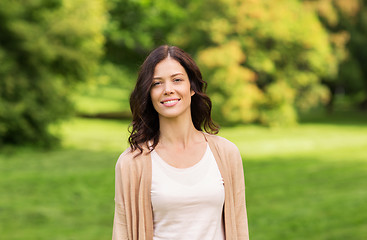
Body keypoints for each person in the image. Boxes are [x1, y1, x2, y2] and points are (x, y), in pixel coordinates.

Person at [112, 45, 249, 240]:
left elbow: (240, 226)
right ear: (149, 93)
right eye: (157, 83)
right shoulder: (132, 162)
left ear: (192, 87)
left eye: (177, 80)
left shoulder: (226, 153)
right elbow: (122, 232)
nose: (168, 90)